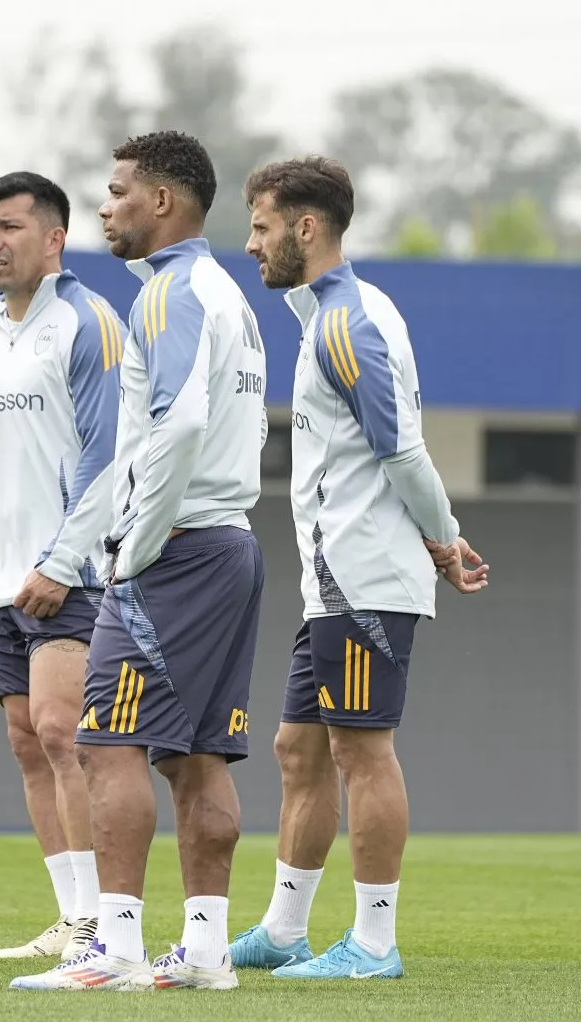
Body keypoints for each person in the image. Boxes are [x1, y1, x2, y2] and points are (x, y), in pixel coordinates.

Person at [9, 132, 267, 992]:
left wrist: (138, 545)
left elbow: (180, 425)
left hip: (178, 551)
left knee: (106, 742)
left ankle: (113, 948)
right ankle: (205, 951)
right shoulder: (227, 294)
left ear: (162, 201)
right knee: (196, 756)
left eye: (118, 191)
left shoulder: (168, 292)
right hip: (229, 543)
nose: (105, 206)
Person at [229, 156, 489, 980]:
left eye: (262, 227)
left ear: (307, 228)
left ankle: (375, 944)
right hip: (330, 582)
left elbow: (401, 450)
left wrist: (445, 538)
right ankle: (284, 930)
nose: (251, 244)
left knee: (361, 753)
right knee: (297, 750)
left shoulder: (345, 324)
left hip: (363, 579)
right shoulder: (332, 315)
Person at [0, 171, 124, 962]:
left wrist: (62, 560)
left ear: (54, 238)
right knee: (27, 742)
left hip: (71, 574)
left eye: (9, 227)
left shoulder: (87, 321)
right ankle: (71, 915)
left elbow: (107, 453)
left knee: (64, 732)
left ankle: (103, 922)